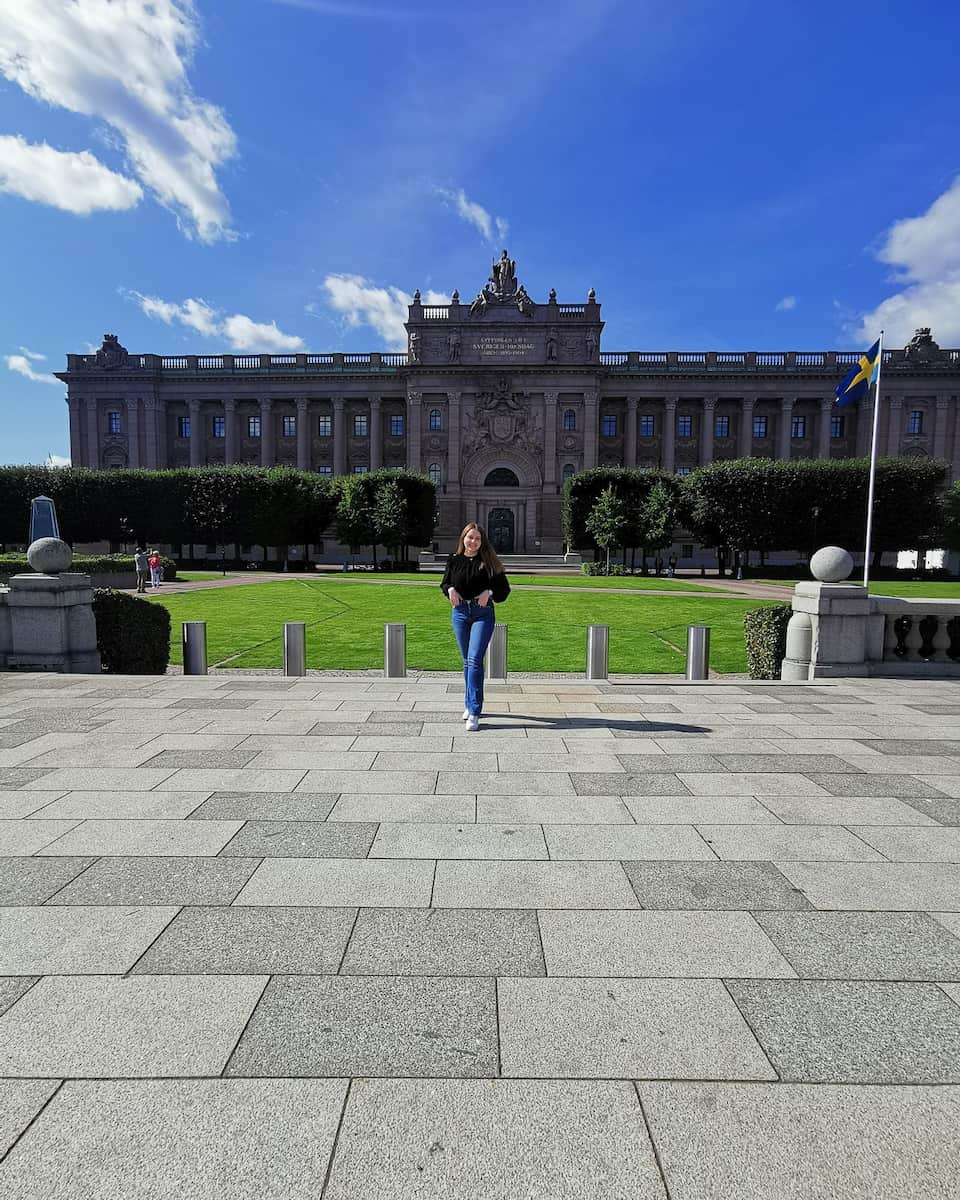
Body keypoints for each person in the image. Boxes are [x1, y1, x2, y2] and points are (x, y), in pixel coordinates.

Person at [440, 523, 510, 731]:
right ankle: (468, 702)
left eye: (477, 538)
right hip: (460, 613)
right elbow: (445, 583)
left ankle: (474, 711)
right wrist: (450, 589)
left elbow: (504, 591)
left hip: (482, 615)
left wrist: (489, 592)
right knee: (467, 661)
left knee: (474, 659)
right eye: (470, 537)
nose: (473, 541)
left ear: (482, 542)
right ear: (463, 538)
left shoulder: (488, 562)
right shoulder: (454, 560)